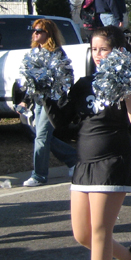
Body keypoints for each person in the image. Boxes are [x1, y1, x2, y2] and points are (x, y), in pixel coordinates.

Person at [45, 26, 131, 260]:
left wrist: (126, 85)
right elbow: (63, 123)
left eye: (103, 49)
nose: (97, 55)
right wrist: (44, 95)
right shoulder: (84, 83)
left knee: (101, 231)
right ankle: (129, 257)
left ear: (116, 50)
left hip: (113, 162)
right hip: (84, 163)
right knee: (83, 234)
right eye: (94, 49)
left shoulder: (129, 82)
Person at [21, 19, 78, 187]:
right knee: (43, 136)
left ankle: (39, 175)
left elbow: (68, 77)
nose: (35, 33)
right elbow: (30, 80)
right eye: (34, 30)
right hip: (38, 101)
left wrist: (59, 96)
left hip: (51, 102)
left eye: (39, 30)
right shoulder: (33, 52)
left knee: (41, 137)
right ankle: (73, 159)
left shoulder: (57, 53)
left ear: (49, 33)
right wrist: (25, 101)